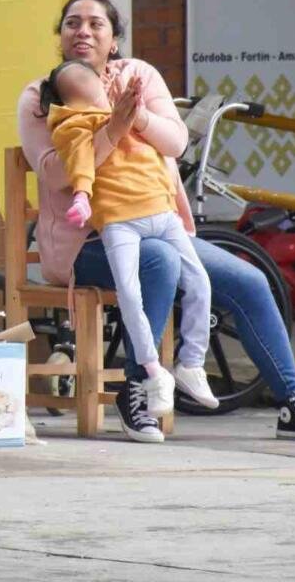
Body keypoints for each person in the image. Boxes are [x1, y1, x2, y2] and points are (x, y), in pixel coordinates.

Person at [16, 0, 295, 443]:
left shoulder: (138, 76)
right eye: (72, 23)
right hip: (86, 243)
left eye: (95, 24)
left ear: (114, 40)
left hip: (156, 221)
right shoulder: (44, 95)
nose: (83, 31)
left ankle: (293, 404)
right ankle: (138, 387)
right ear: (60, 37)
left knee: (249, 281)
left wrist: (133, 117)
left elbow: (176, 143)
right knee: (159, 259)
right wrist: (113, 129)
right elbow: (58, 176)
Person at [39, 58, 219, 419]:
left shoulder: (127, 106)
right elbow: (81, 162)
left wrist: (137, 116)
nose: (88, 93)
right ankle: (151, 374)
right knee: (130, 294)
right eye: (76, 90)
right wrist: (83, 195)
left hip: (162, 212)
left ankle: (192, 364)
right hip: (119, 221)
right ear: (65, 101)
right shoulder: (73, 124)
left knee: (200, 280)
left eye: (90, 83)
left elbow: (171, 148)